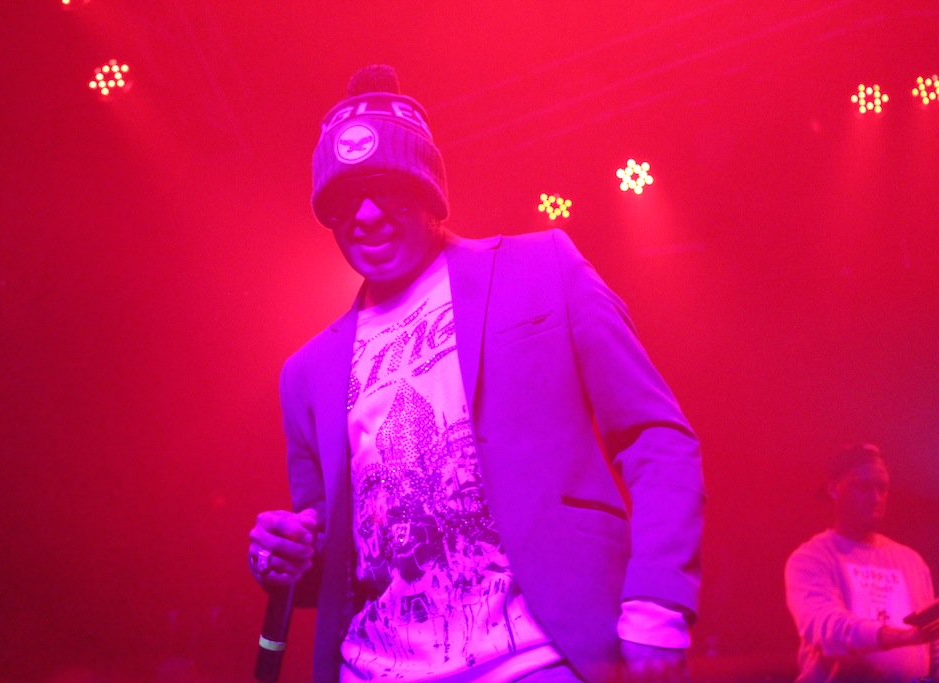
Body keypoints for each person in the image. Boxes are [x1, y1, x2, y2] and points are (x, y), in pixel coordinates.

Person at [248, 65, 704, 683]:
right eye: (342, 199)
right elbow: (333, 565)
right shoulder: (306, 373)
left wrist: (658, 599)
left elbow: (655, 435)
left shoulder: (543, 268)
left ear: (429, 189)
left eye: (388, 187)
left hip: (540, 660)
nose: (367, 213)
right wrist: (286, 558)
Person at [785, 443, 939, 683]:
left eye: (882, 488)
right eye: (864, 487)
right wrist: (902, 637)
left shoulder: (911, 561)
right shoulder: (811, 558)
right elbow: (827, 628)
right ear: (834, 488)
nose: (875, 497)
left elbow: (934, 646)